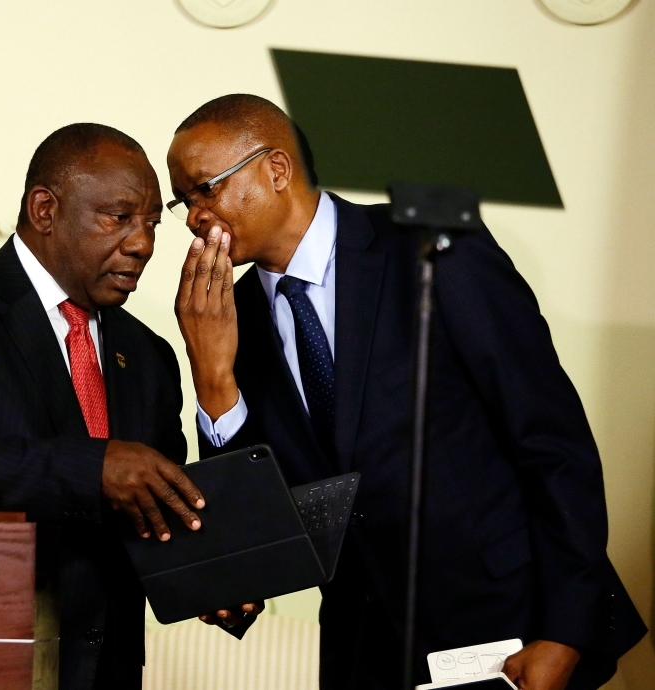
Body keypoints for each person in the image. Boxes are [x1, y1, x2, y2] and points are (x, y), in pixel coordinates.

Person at [167, 94, 646, 690]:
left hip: (510, 632)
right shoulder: (227, 318)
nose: (192, 217)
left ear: (276, 170)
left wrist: (565, 631)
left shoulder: (429, 247)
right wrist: (213, 378)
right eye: (182, 201)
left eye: (204, 189)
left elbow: (552, 440)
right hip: (365, 651)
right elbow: (255, 534)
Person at [0, 123, 206, 690]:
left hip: (109, 669)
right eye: (118, 217)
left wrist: (217, 578)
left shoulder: (149, 355)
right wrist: (92, 467)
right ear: (45, 210)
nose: (143, 244)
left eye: (150, 223)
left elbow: (155, 512)